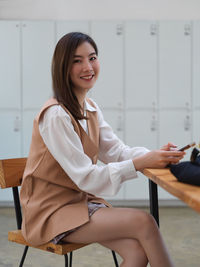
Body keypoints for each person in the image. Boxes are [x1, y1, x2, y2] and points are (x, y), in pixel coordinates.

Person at [20, 32, 185, 267]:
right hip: (50, 212)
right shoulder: (56, 115)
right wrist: (142, 162)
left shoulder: (90, 107)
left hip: (78, 203)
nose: (87, 67)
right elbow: (86, 177)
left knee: (138, 251)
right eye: (77, 61)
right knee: (144, 222)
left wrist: (154, 156)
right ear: (62, 67)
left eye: (92, 57)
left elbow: (116, 151)